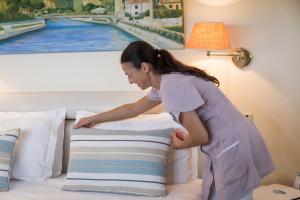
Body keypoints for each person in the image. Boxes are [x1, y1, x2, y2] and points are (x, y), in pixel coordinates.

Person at [74, 41, 274, 200]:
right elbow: (133, 109)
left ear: (144, 67)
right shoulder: (163, 84)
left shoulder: (171, 86)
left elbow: (200, 135)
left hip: (234, 146)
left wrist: (179, 144)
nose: (130, 80)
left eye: (129, 74)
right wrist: (94, 118)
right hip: (229, 144)